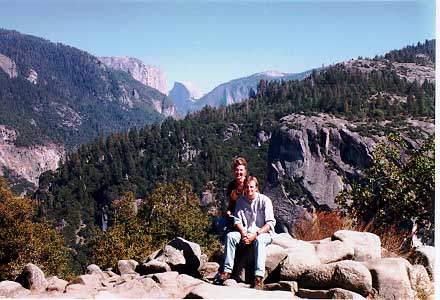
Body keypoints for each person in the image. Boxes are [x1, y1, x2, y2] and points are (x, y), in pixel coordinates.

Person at [217, 176, 276, 290]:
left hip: (263, 233)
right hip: (246, 232)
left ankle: (258, 278)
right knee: (230, 236)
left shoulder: (265, 201)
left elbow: (270, 223)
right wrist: (244, 234)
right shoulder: (240, 201)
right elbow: (237, 221)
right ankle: (226, 271)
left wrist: (256, 234)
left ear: (256, 188)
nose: (249, 190)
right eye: (247, 187)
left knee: (259, 241)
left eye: (252, 187)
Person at [216, 157, 248, 233]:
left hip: (246, 218)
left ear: (245, 172)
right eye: (236, 170)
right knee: (218, 223)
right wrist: (229, 211)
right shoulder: (231, 185)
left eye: (241, 170)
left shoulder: (249, 185)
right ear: (234, 171)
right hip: (234, 216)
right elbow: (231, 204)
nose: (238, 172)